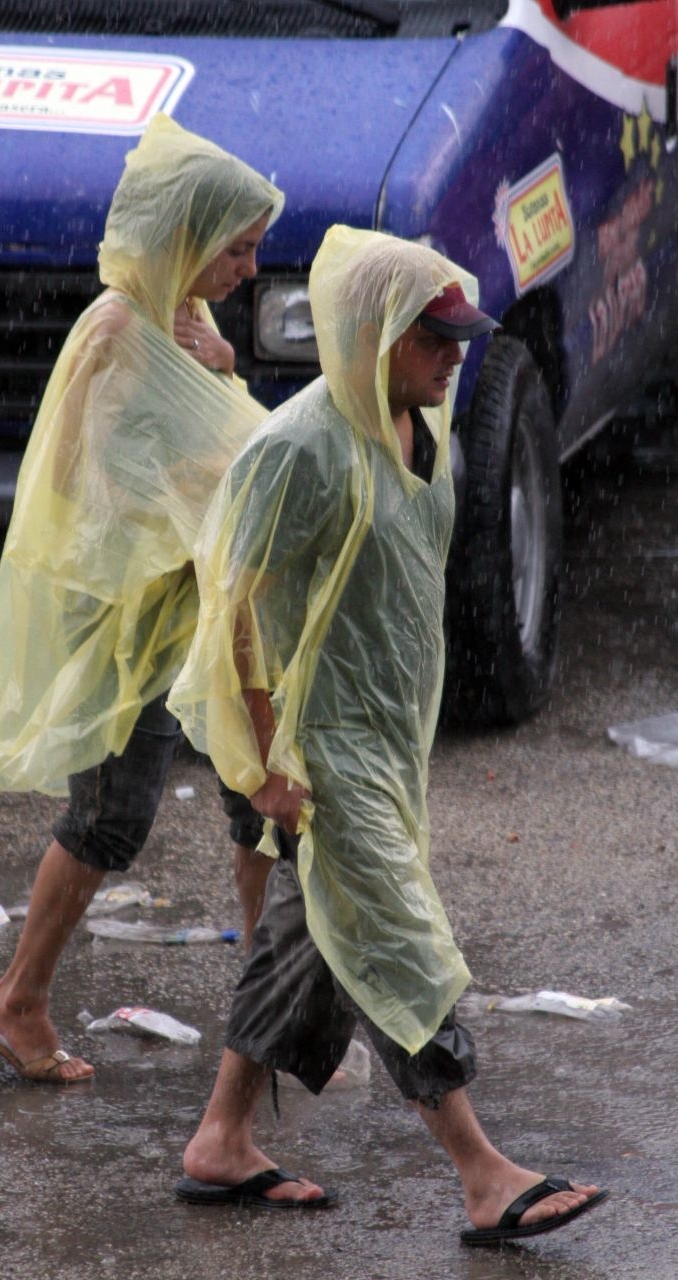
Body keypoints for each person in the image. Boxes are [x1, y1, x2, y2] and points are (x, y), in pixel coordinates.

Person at [166, 226, 609, 1243]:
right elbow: (232, 604)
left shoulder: (420, 424)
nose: (455, 354)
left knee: (309, 935)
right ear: (372, 335)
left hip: (388, 741)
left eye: (458, 335)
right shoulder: (298, 448)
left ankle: (221, 1137)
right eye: (434, 337)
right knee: (395, 940)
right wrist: (265, 762)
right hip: (319, 752)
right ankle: (481, 1170)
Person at [0, 114, 282, 1083]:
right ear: (186, 235)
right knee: (110, 816)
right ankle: (17, 996)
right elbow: (75, 486)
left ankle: (268, 1018)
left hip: (204, 611)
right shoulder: (112, 330)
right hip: (126, 617)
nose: (250, 270)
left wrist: (215, 368)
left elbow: (212, 443)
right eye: (238, 247)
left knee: (256, 793)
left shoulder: (190, 319)